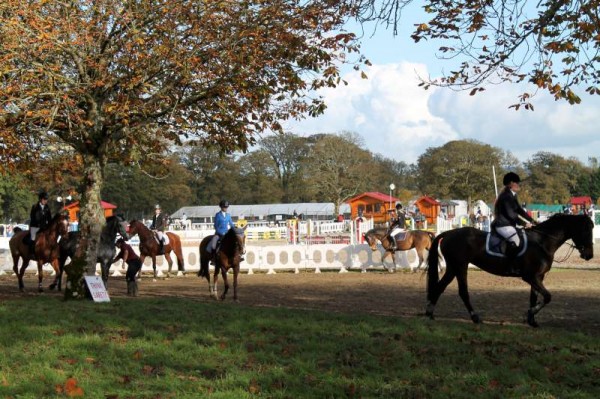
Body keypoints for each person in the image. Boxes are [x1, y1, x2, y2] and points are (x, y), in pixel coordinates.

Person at [493, 172, 535, 263]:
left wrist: (533, 221)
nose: (518, 184)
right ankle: (509, 264)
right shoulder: (506, 196)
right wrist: (525, 223)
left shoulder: (513, 195)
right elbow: (511, 214)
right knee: (516, 241)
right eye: (516, 182)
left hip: (509, 225)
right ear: (511, 183)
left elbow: (520, 211)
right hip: (503, 226)